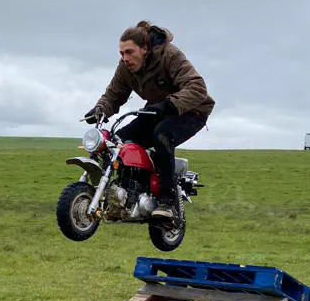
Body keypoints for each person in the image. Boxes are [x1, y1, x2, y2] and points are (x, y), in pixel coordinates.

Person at [86, 22, 214, 220]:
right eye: (121, 53)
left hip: (191, 110)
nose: (125, 58)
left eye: (129, 52)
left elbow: (197, 87)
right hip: (157, 110)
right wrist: (99, 110)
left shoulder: (169, 55)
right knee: (117, 139)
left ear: (144, 49)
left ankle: (167, 202)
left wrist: (169, 104)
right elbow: (114, 94)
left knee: (162, 135)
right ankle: (124, 195)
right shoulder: (125, 68)